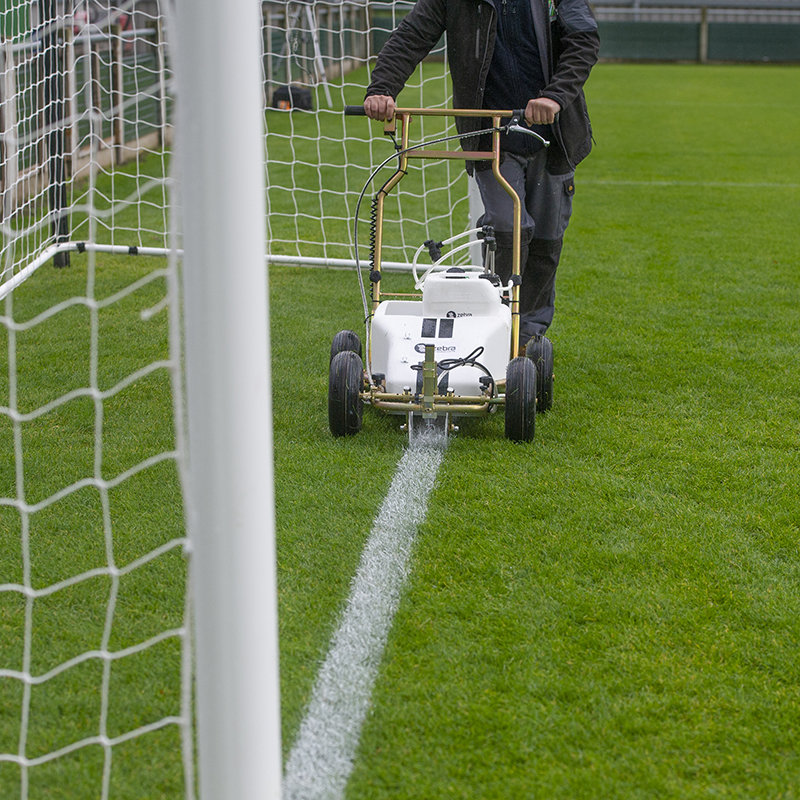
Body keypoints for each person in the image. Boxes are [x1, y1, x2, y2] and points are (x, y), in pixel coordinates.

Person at [363, 0, 600, 348]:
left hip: (553, 135)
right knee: (508, 228)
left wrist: (556, 96)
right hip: (491, 136)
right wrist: (382, 87)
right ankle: (497, 325)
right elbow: (412, 35)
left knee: (546, 239)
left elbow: (583, 39)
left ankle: (528, 337)